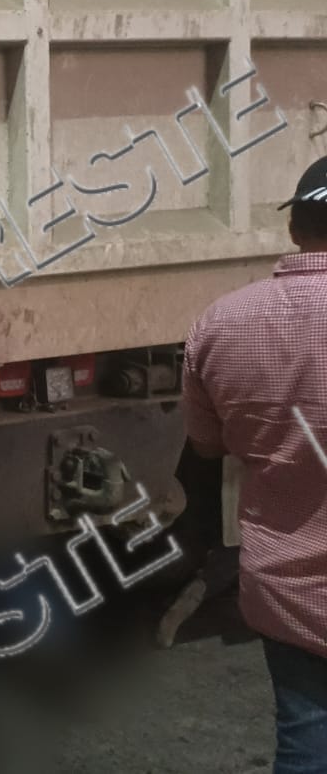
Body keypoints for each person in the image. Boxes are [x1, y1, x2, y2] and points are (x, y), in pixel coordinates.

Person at [182, 155, 327, 773]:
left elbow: (206, 445)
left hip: (287, 588)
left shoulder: (220, 323)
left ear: (294, 228)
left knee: (307, 737)